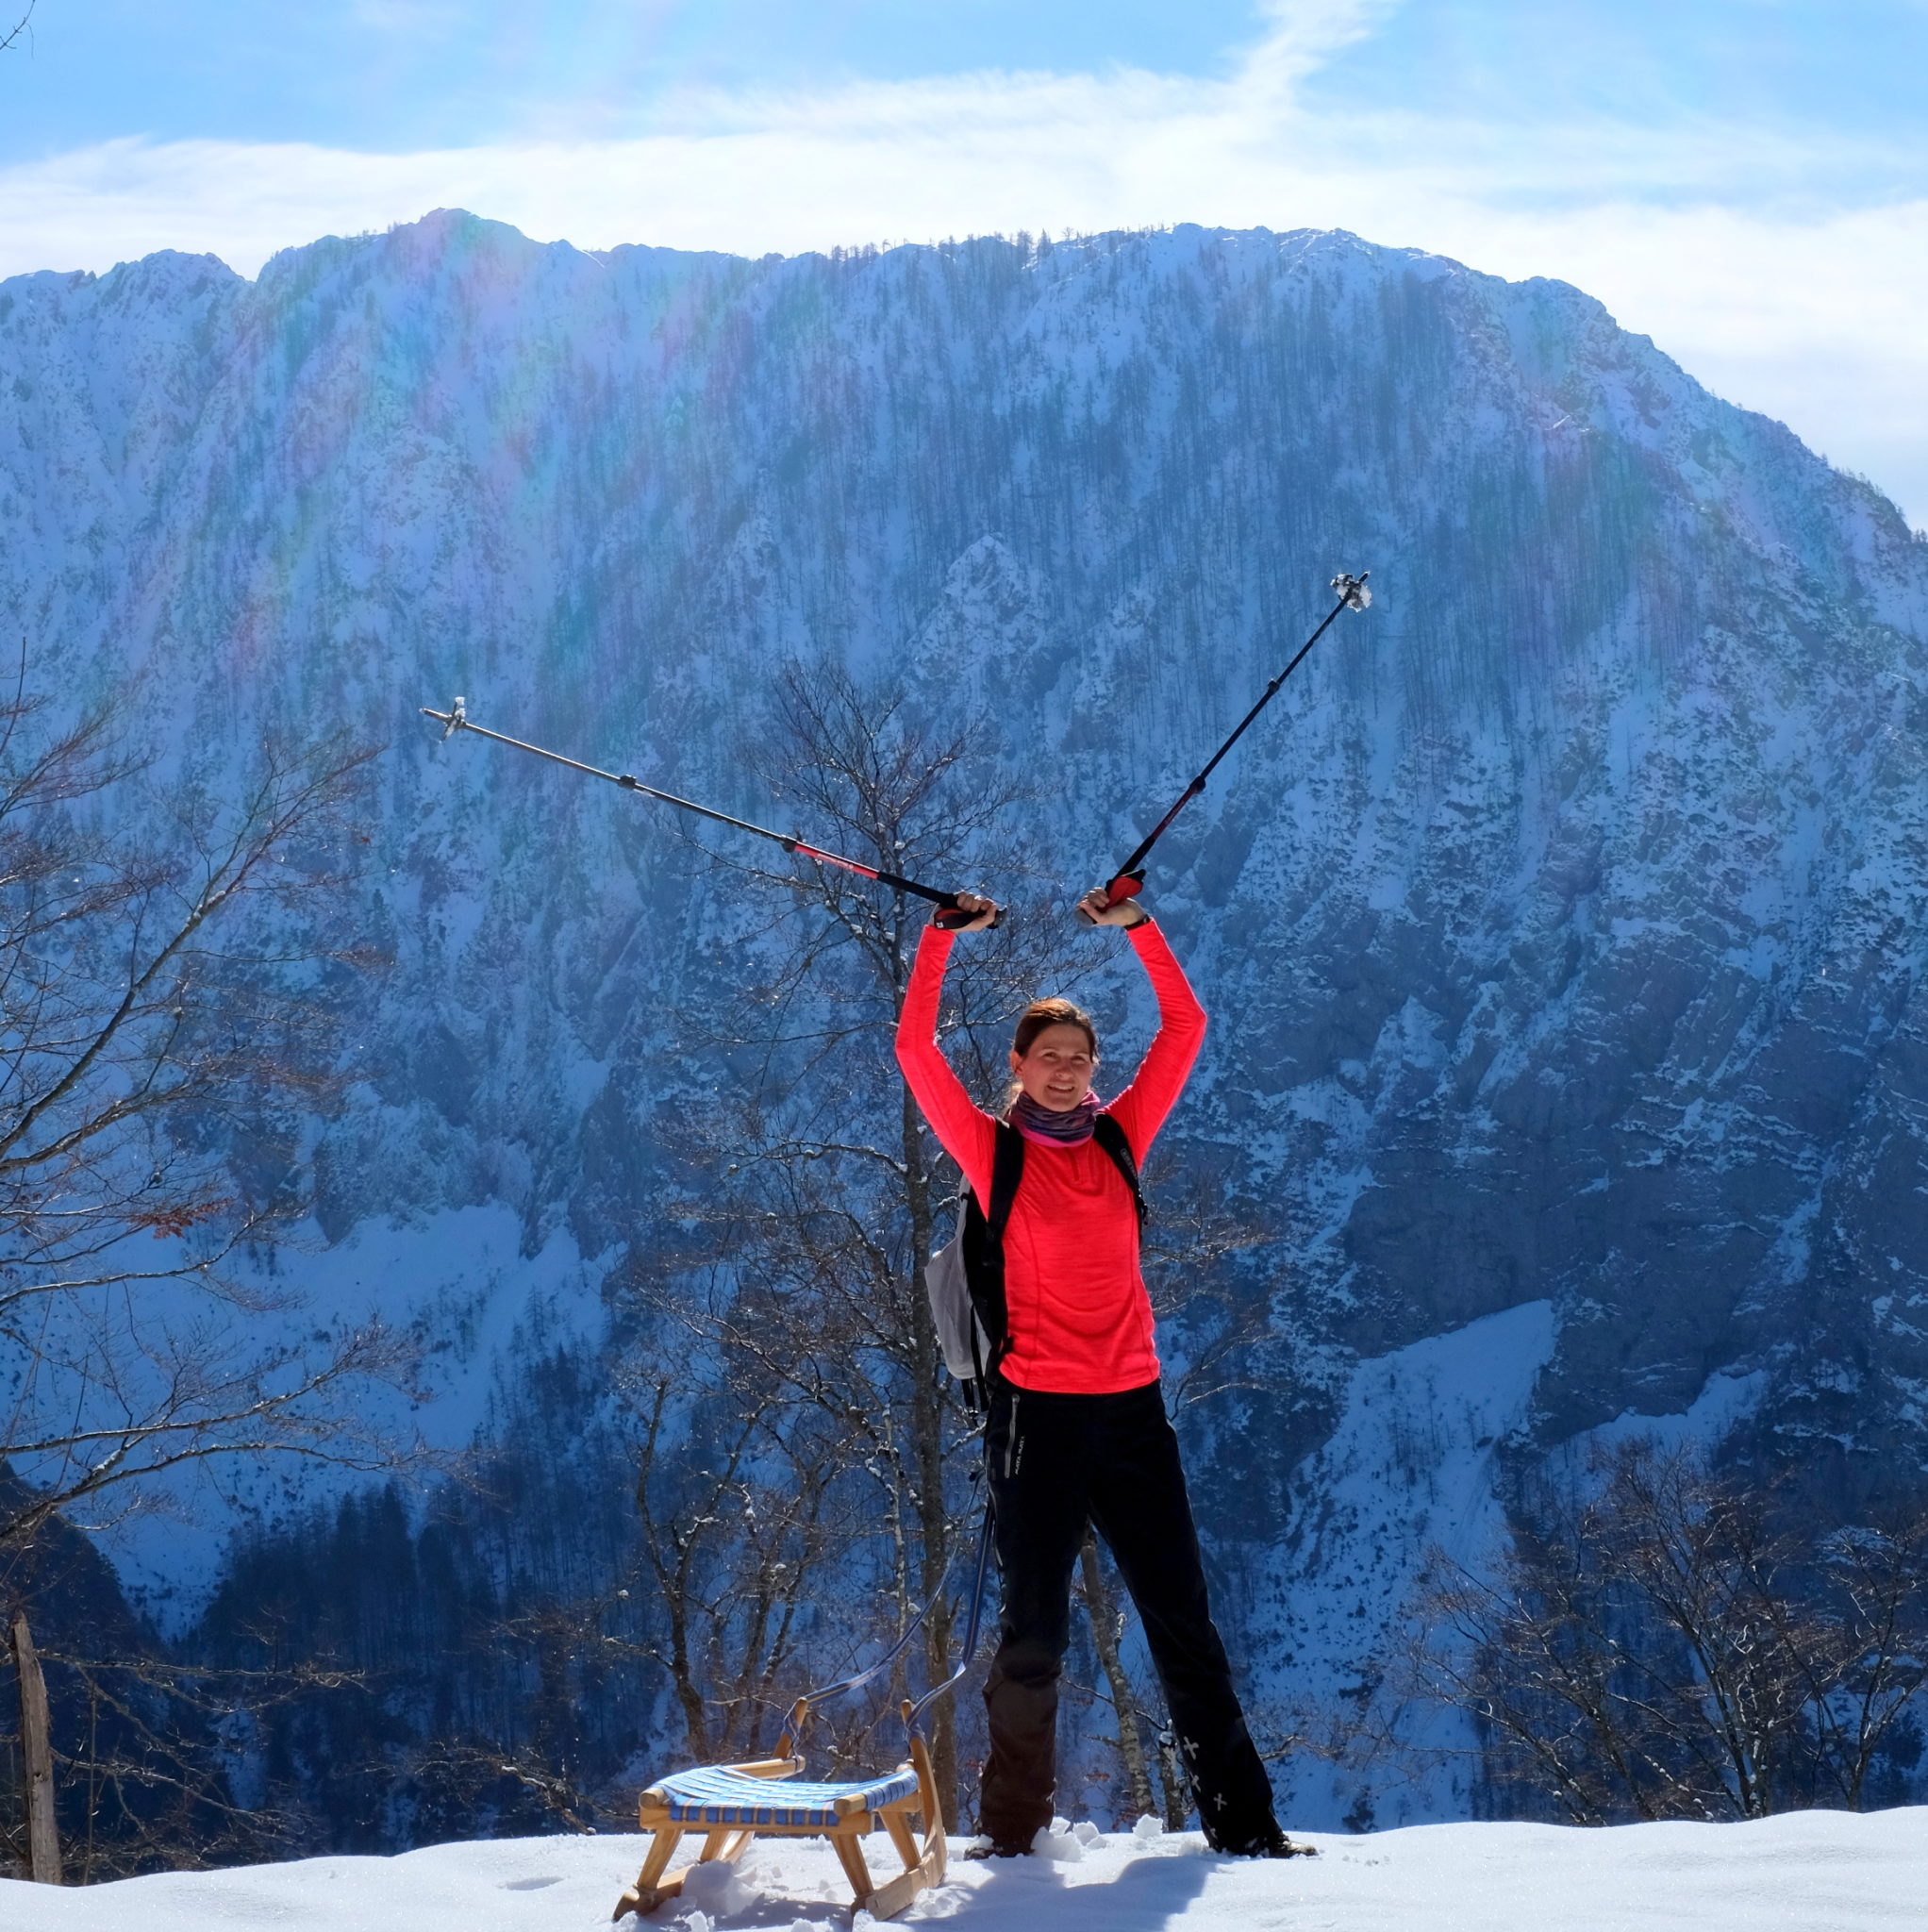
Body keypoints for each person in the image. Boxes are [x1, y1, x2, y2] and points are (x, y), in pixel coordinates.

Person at [894, 884, 1308, 1859]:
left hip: (1131, 1414)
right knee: (1032, 1633)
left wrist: (1140, 930)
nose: (1067, 1075)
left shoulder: (1121, 1136)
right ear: (1018, 1065)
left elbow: (1184, 1022)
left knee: (1183, 1623)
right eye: (1049, 1059)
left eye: (1079, 1061)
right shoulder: (993, 1154)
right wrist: (937, 941)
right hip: (1036, 1419)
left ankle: (1246, 1830)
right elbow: (915, 1053)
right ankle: (1011, 1835)